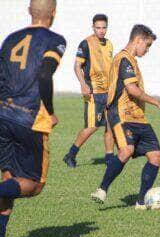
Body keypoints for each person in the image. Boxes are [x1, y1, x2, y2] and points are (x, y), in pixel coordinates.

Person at [0, 0, 66, 237]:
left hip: (3, 115)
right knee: (34, 185)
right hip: (30, 120)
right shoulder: (55, 40)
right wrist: (49, 111)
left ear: (30, 11)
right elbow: (44, 74)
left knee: (9, 180)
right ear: (53, 13)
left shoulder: (10, 38)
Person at [91, 24, 160, 210]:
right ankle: (102, 189)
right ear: (138, 40)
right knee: (126, 150)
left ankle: (141, 202)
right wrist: (157, 102)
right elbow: (132, 90)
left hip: (138, 117)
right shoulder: (123, 59)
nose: (147, 50)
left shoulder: (133, 61)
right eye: (147, 45)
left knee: (156, 156)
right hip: (122, 114)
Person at [63, 14, 114, 168]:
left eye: (104, 27)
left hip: (108, 91)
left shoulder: (109, 44)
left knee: (110, 125)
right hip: (93, 92)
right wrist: (83, 84)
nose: (101, 30)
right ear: (93, 27)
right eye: (98, 28)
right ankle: (70, 155)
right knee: (92, 127)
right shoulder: (85, 44)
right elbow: (76, 66)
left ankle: (109, 158)